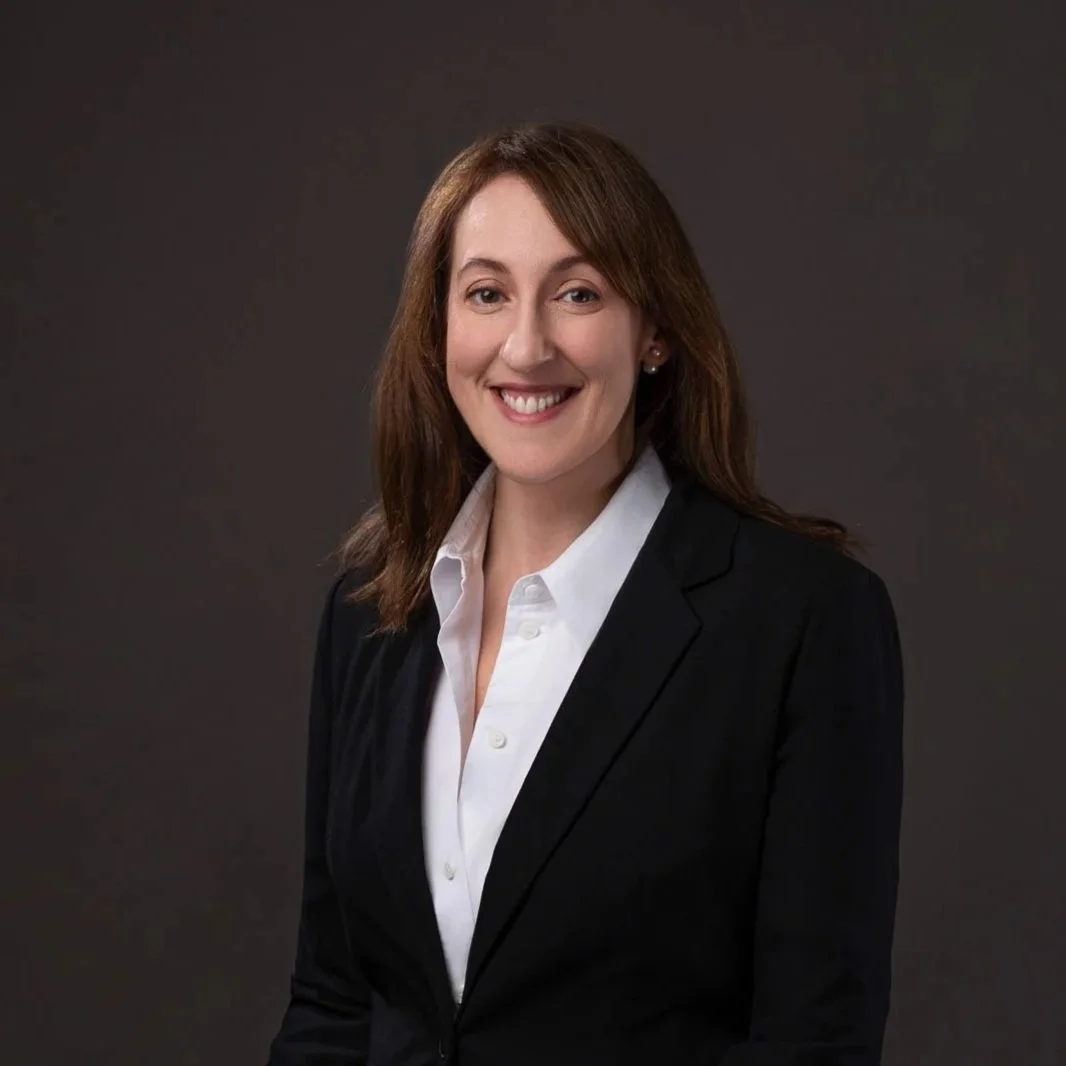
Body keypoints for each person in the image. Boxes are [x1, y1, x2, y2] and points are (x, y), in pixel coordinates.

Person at [265, 120, 904, 1066]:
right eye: (486, 293)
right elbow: (332, 1002)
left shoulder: (801, 620)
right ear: (439, 328)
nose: (525, 347)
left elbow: (812, 1040)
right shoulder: (370, 614)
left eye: (577, 293)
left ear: (653, 332)